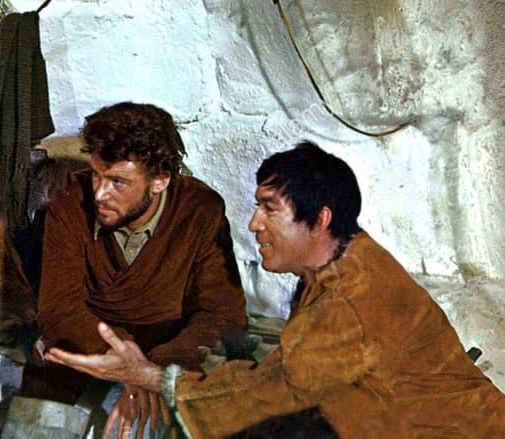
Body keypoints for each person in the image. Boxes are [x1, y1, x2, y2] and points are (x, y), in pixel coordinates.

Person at [46, 142, 505, 438]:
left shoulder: (350, 298)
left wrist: (149, 376)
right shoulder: (347, 257)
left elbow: (268, 393)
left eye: (269, 209)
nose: (253, 223)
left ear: (320, 219)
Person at [27, 102, 248, 437]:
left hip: (170, 351)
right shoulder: (70, 200)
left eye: (118, 181)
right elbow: (58, 308)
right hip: (87, 341)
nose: (100, 193)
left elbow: (222, 313)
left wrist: (152, 372)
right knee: (33, 423)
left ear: (159, 181)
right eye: (96, 174)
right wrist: (126, 361)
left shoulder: (199, 209)